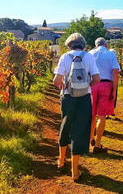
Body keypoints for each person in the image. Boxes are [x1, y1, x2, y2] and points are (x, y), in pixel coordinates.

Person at [53, 33, 100, 181]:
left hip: (68, 97)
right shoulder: (88, 57)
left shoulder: (65, 57)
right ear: (83, 44)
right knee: (79, 131)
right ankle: (75, 171)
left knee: (65, 126)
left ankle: (61, 161)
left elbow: (56, 80)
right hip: (84, 98)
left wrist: (64, 86)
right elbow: (97, 79)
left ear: (69, 44)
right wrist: (86, 86)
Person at [89, 38, 120, 154]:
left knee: (91, 114)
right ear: (106, 45)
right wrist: (114, 90)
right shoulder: (111, 54)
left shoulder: (90, 54)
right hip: (106, 85)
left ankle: (91, 138)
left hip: (92, 85)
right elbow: (115, 72)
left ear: (95, 45)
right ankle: (97, 144)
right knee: (102, 116)